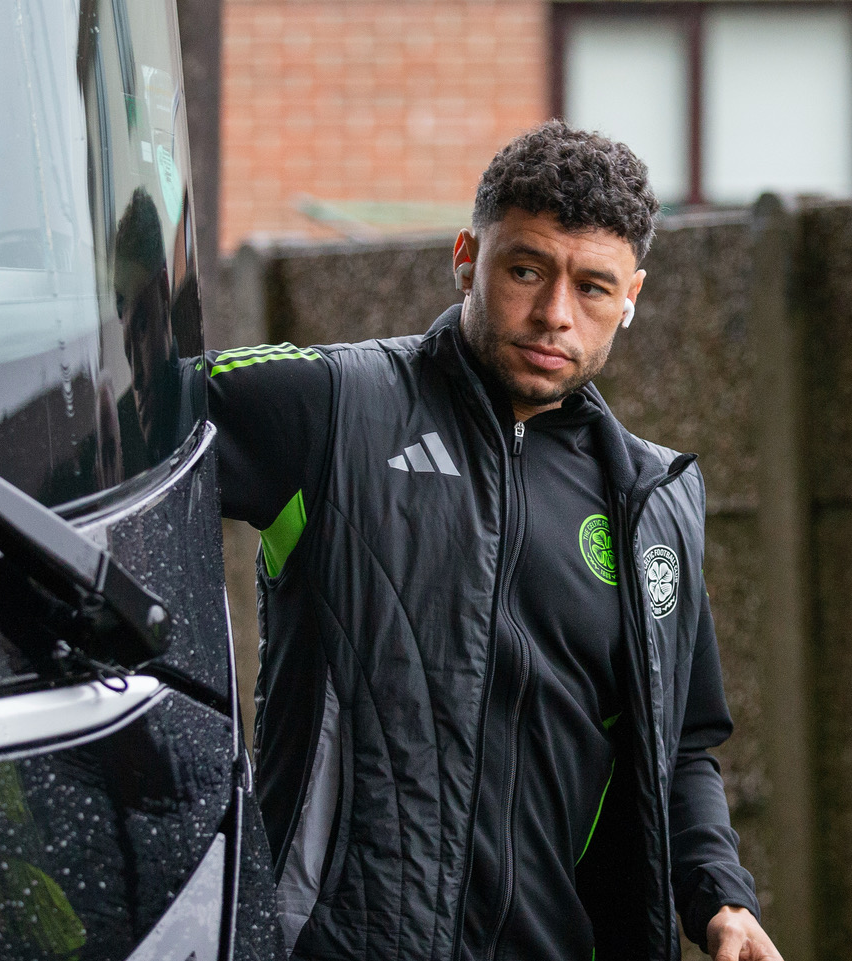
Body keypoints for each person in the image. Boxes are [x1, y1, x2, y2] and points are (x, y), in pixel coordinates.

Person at [207, 121, 782, 961]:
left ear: (633, 296)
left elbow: (683, 745)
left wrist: (720, 896)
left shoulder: (656, 498)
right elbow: (99, 429)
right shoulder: (333, 409)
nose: (554, 315)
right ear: (468, 256)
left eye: (592, 287)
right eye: (526, 269)